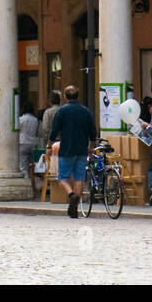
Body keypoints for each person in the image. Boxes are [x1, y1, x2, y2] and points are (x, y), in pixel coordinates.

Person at [47, 85, 98, 218]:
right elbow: (93, 130)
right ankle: (74, 208)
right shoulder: (86, 111)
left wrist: (49, 145)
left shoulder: (62, 111)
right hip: (82, 149)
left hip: (67, 148)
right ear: (78, 96)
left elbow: (54, 130)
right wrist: (92, 145)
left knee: (62, 178)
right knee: (79, 178)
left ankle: (72, 195)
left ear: (65, 96)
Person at [18, 101, 41, 193]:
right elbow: (39, 133)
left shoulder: (20, 119)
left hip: (23, 142)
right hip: (33, 143)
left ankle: (26, 184)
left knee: (23, 165)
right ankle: (35, 184)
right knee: (33, 166)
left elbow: (17, 131)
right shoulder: (36, 120)